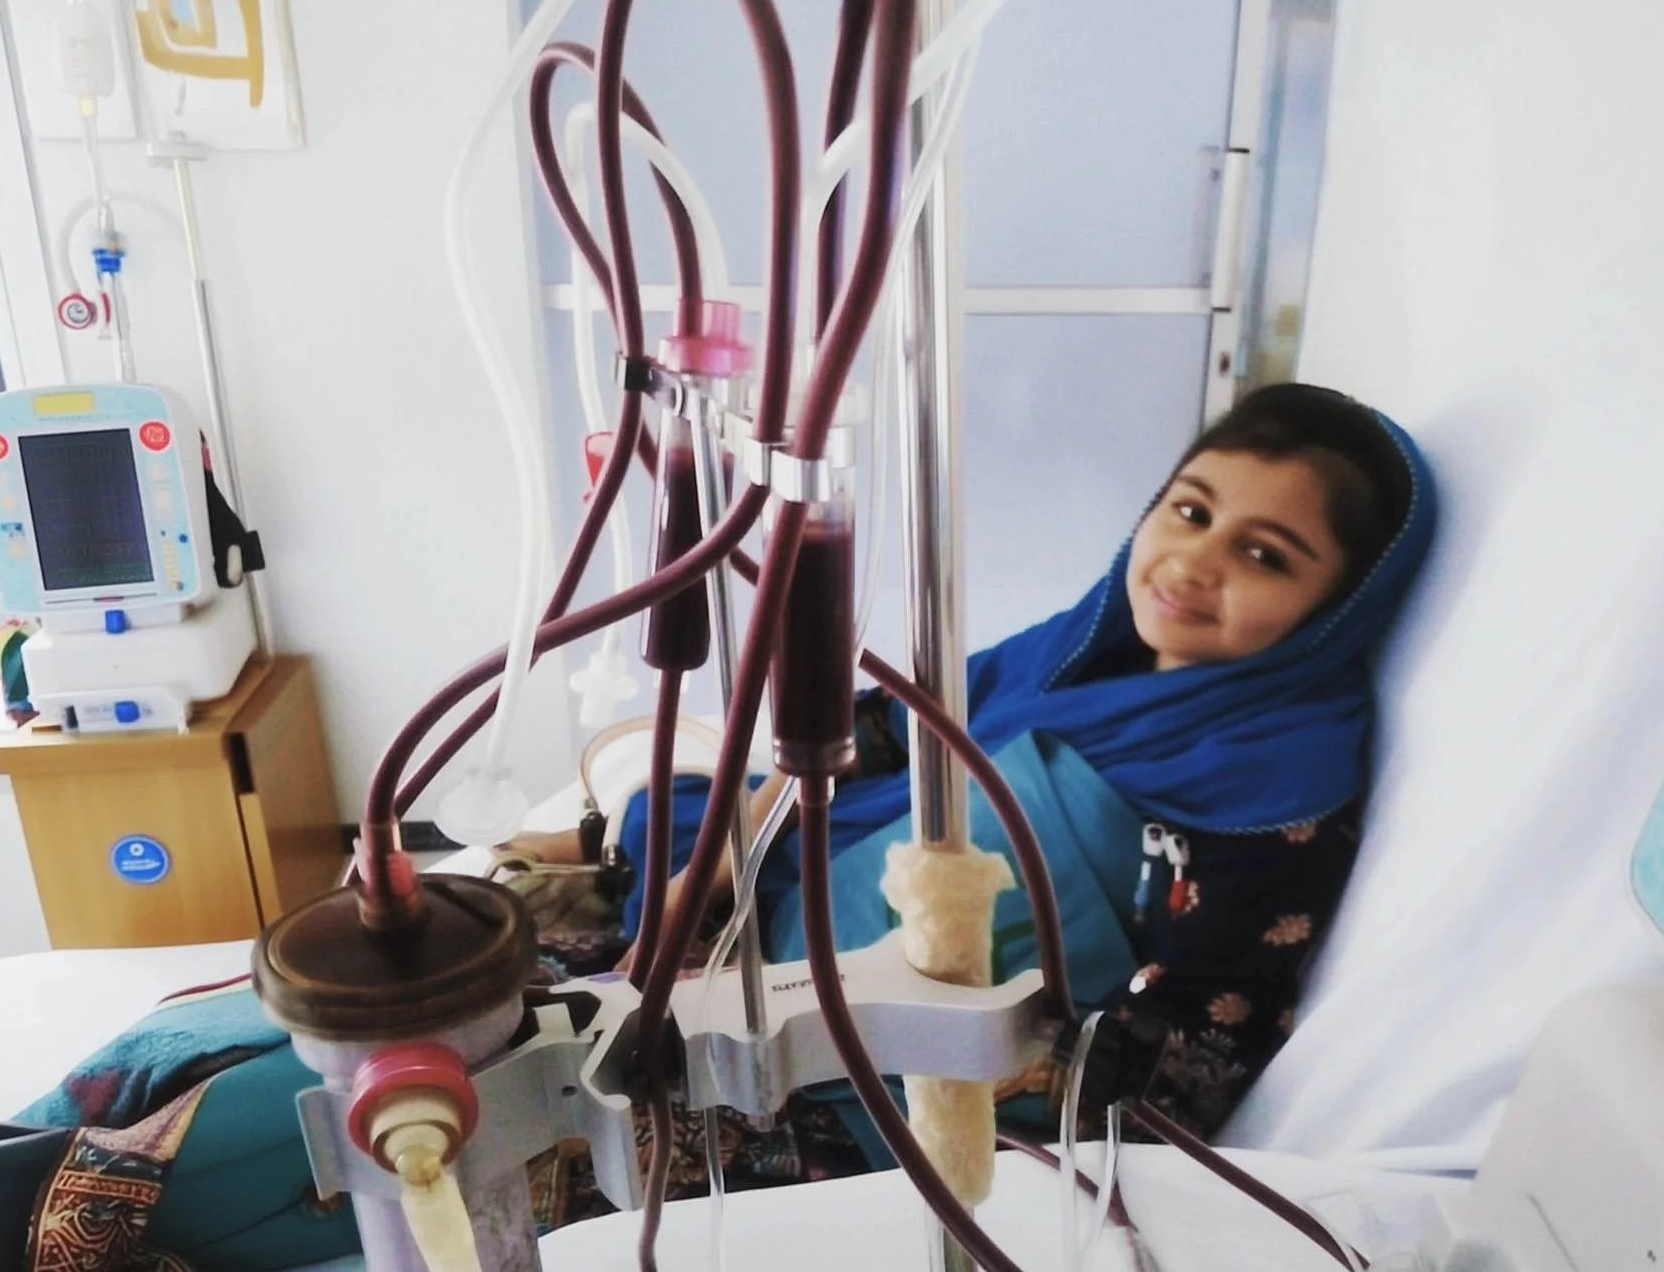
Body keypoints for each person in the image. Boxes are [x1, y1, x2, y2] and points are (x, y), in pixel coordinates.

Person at [503, 381, 1439, 1217]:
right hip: (792, 916)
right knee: (520, 963)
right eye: (1190, 510)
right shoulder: (1080, 647)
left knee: (555, 1134)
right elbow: (871, 734)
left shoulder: (1275, 789)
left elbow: (1198, 1045)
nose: (1193, 563)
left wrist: (984, 1069)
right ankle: (614, 878)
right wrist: (712, 872)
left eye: (1266, 556)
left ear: (1340, 606)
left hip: (896, 1070)